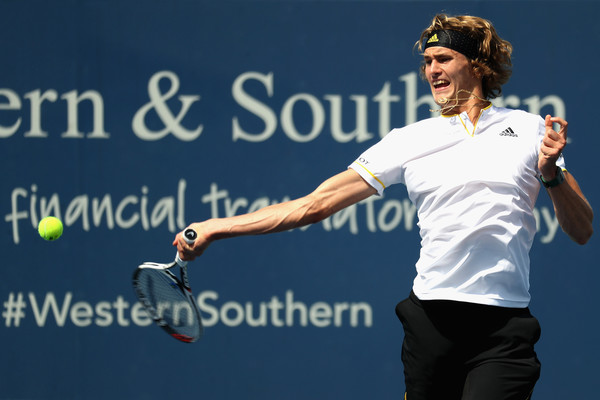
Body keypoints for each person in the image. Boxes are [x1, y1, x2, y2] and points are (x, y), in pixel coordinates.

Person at [174, 13, 593, 400]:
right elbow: (315, 205)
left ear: (477, 65)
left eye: (443, 58)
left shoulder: (528, 129)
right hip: (431, 327)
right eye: (427, 61)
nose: (432, 70)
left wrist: (552, 174)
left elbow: (582, 230)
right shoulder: (408, 140)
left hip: (503, 330)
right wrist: (216, 226)